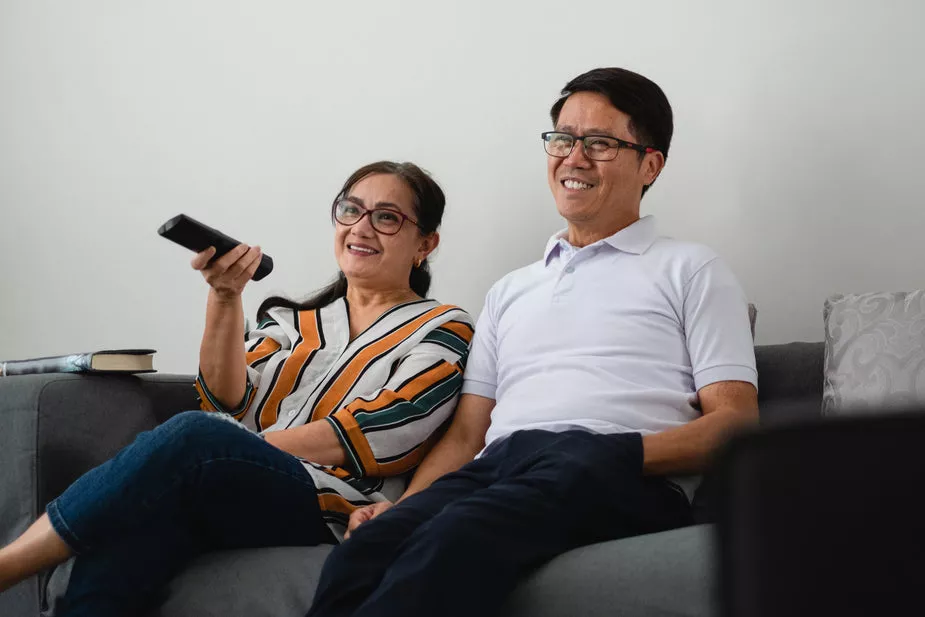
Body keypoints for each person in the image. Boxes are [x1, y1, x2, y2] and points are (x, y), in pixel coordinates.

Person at [305, 68, 760, 617]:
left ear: (650, 164)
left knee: (457, 538)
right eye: (564, 139)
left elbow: (735, 425)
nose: (574, 157)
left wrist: (609, 451)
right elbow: (469, 432)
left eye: (600, 143)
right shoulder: (510, 290)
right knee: (364, 552)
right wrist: (406, 507)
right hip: (502, 466)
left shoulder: (692, 269)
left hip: (618, 467)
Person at [0, 161, 473, 617]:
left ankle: (12, 564)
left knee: (194, 437)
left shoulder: (443, 326)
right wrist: (225, 295)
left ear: (424, 244)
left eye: (386, 218)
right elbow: (226, 399)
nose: (361, 228)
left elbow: (391, 425)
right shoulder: (290, 320)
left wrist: (233, 446)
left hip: (328, 499)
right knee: (130, 535)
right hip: (236, 480)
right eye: (351, 210)